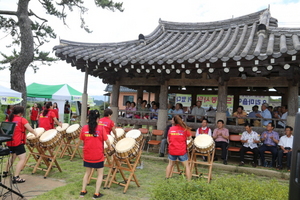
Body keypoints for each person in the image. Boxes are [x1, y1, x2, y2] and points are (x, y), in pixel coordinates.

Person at [80, 110, 113, 198]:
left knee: (87, 173)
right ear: (98, 119)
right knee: (100, 174)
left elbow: (82, 139)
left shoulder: (84, 128)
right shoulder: (101, 128)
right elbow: (107, 140)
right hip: (98, 155)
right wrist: (110, 147)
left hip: (87, 154)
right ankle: (96, 193)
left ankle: (83, 190)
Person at [4, 106, 37, 183]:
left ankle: (6, 172)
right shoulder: (22, 120)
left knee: (12, 157)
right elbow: (30, 129)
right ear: (20, 113)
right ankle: (16, 177)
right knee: (22, 159)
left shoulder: (8, 119)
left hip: (9, 142)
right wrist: (36, 134)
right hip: (18, 142)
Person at [165, 115, 191, 180]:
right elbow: (189, 138)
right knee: (186, 166)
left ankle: (167, 178)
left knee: (170, 164)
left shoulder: (171, 129)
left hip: (172, 150)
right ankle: (189, 181)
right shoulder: (184, 129)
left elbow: (168, 139)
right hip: (181, 150)